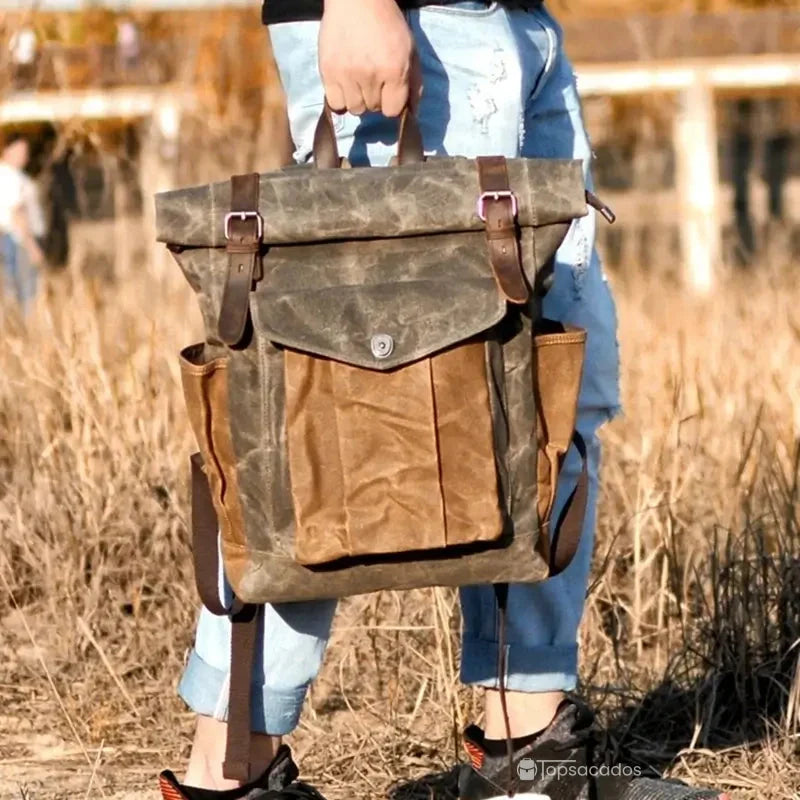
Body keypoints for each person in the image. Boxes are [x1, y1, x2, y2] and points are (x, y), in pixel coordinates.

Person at [160, 2, 729, 798]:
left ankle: (528, 751)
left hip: (521, 29)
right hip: (418, 23)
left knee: (547, 398)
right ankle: (230, 770)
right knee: (325, 415)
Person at [0, 133, 45, 313]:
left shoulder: (13, 174)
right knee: (25, 295)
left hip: (16, 240)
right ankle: (24, 335)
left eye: (25, 151)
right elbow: (17, 212)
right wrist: (32, 246)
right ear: (7, 150)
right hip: (18, 241)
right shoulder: (9, 176)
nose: (24, 155)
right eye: (20, 150)